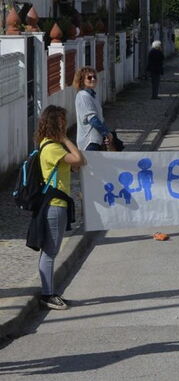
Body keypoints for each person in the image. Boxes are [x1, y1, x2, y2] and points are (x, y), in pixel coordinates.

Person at [33, 105, 84, 310]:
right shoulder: (53, 147)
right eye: (62, 120)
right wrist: (65, 139)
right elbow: (80, 159)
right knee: (50, 251)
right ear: (56, 123)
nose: (65, 123)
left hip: (58, 204)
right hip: (54, 206)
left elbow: (76, 164)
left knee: (50, 250)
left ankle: (50, 291)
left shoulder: (49, 144)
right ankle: (47, 294)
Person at [73, 67, 111, 151]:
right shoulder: (83, 96)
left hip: (97, 140)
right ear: (82, 80)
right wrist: (106, 133)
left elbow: (100, 118)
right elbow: (92, 119)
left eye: (94, 77)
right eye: (89, 77)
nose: (93, 79)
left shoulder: (92, 96)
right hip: (89, 141)